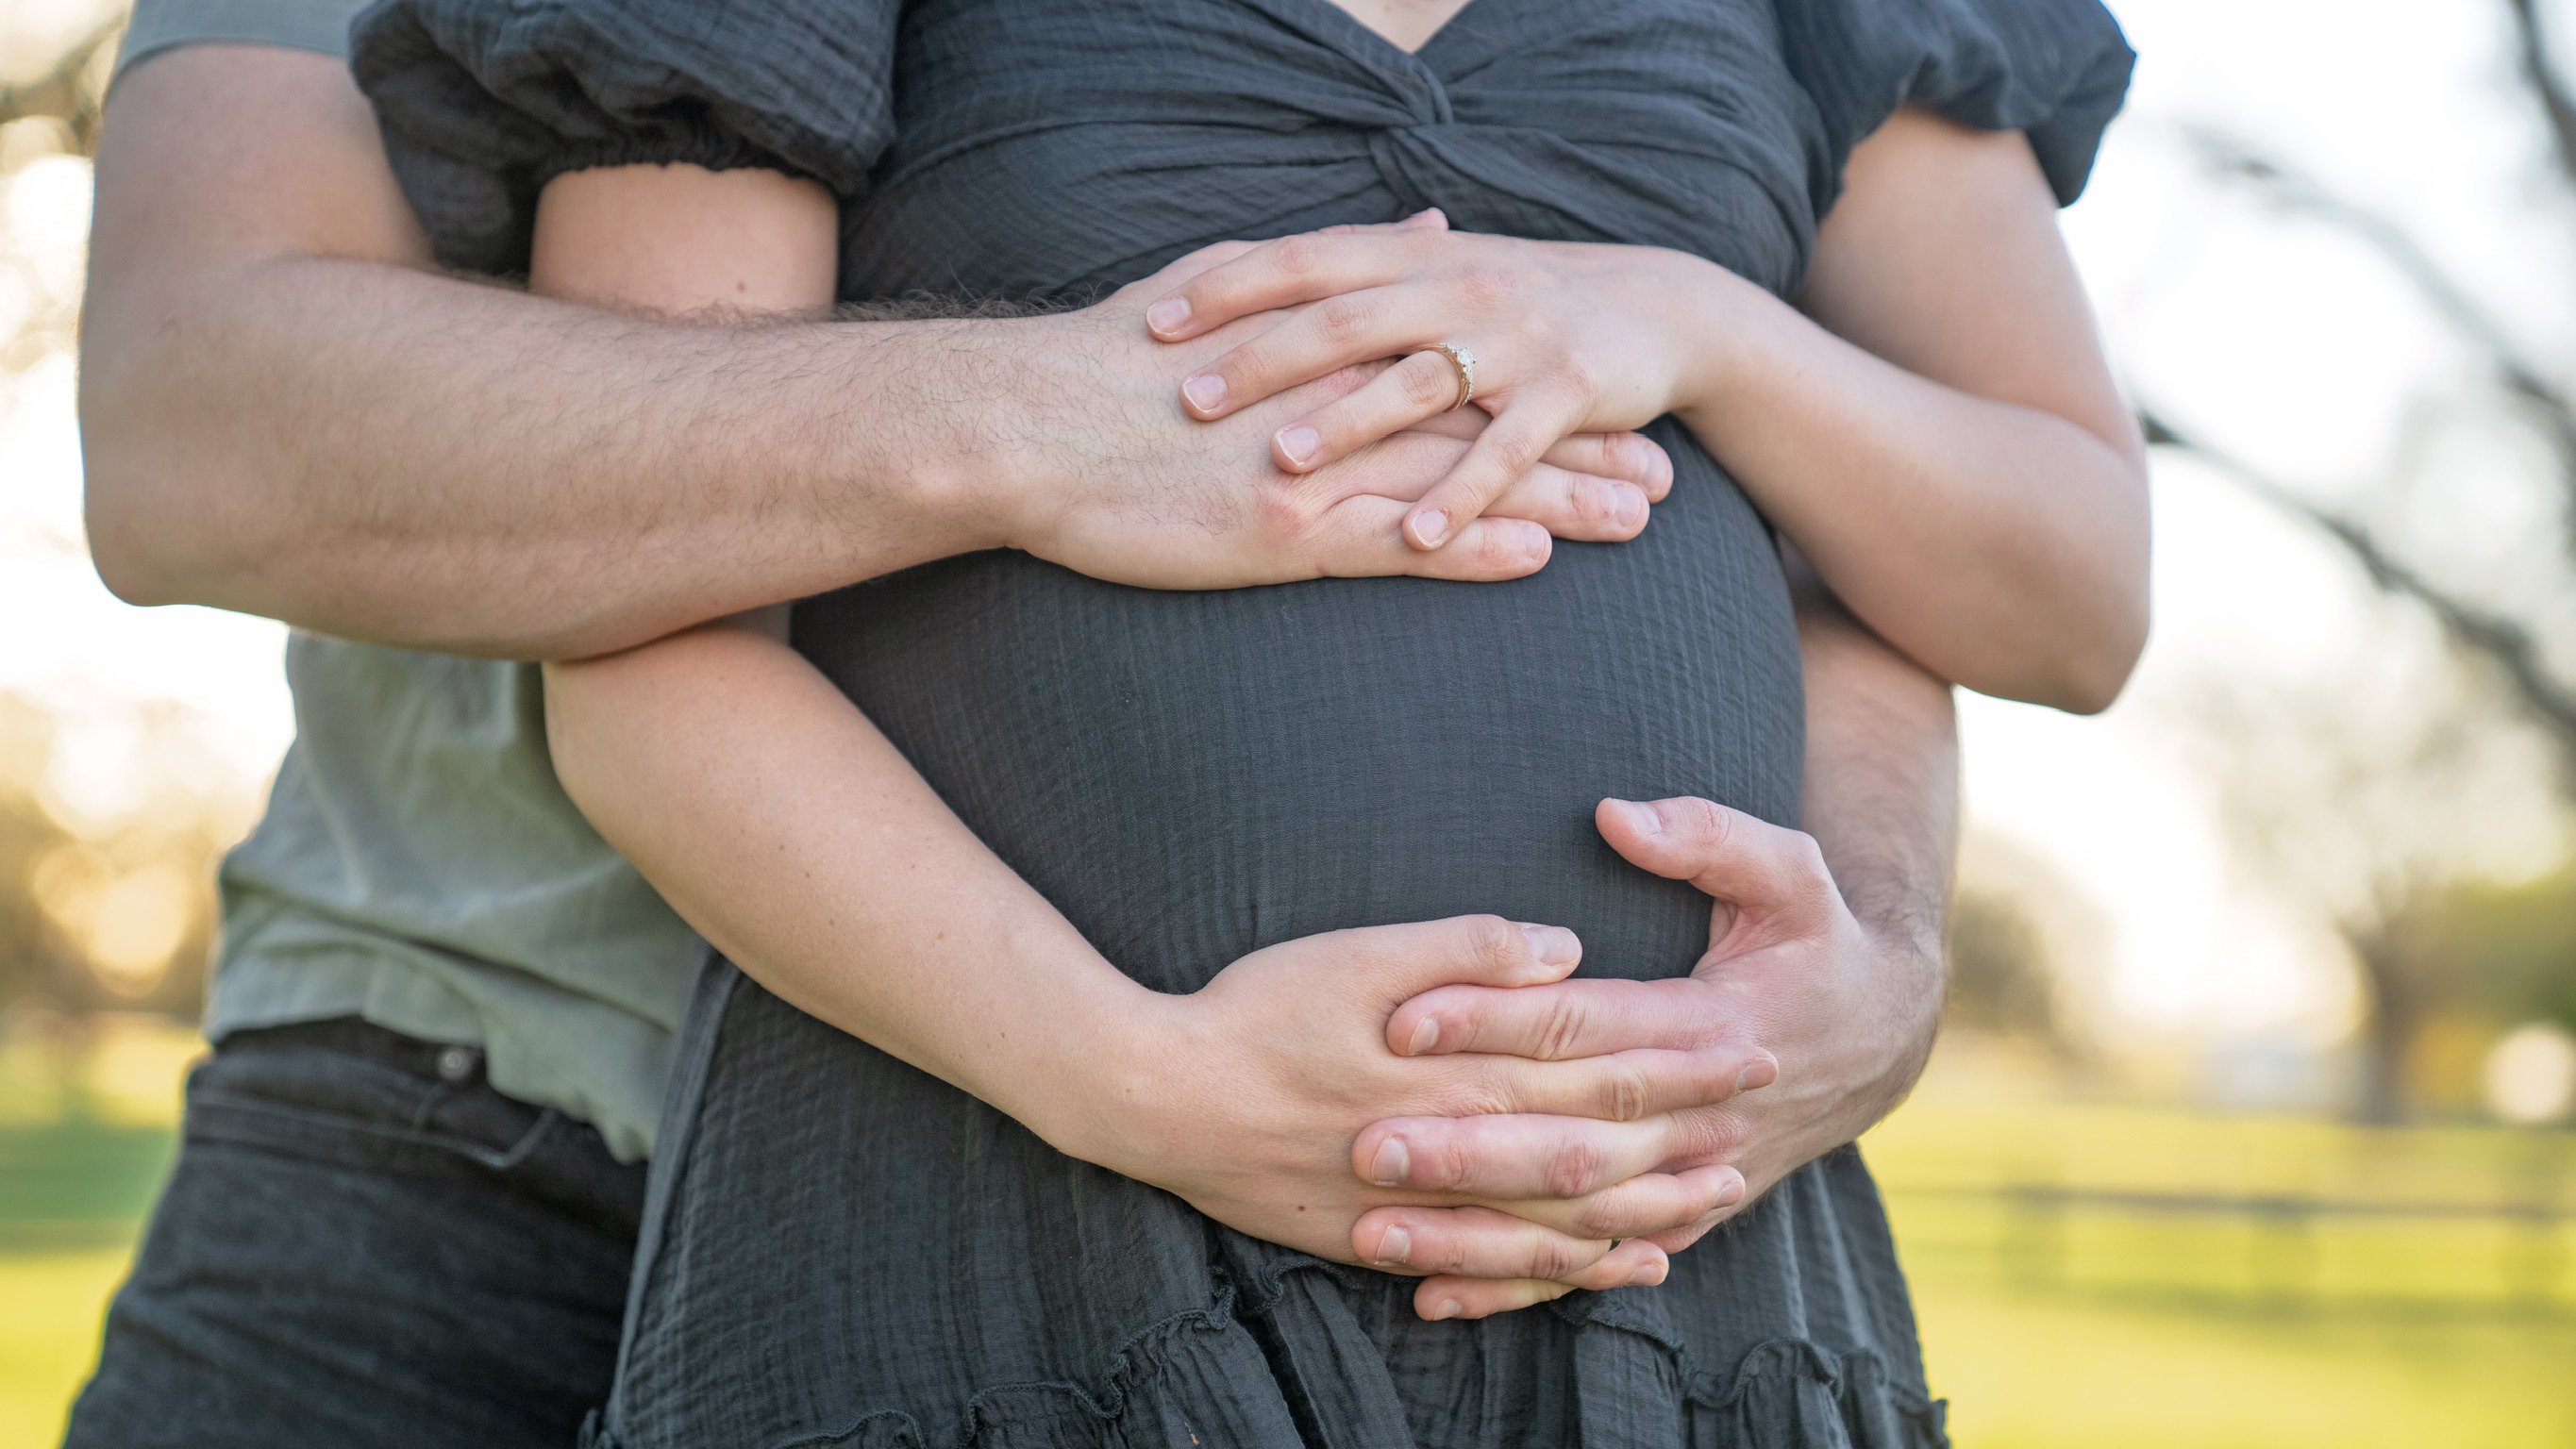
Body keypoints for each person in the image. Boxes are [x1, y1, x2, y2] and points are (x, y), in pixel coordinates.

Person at [60, 4, 2008, 1448]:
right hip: (471, 1110)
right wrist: (1032, 427)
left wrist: (1890, 954)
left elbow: (1876, 553)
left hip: (1385, 1213)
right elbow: (192, 425)